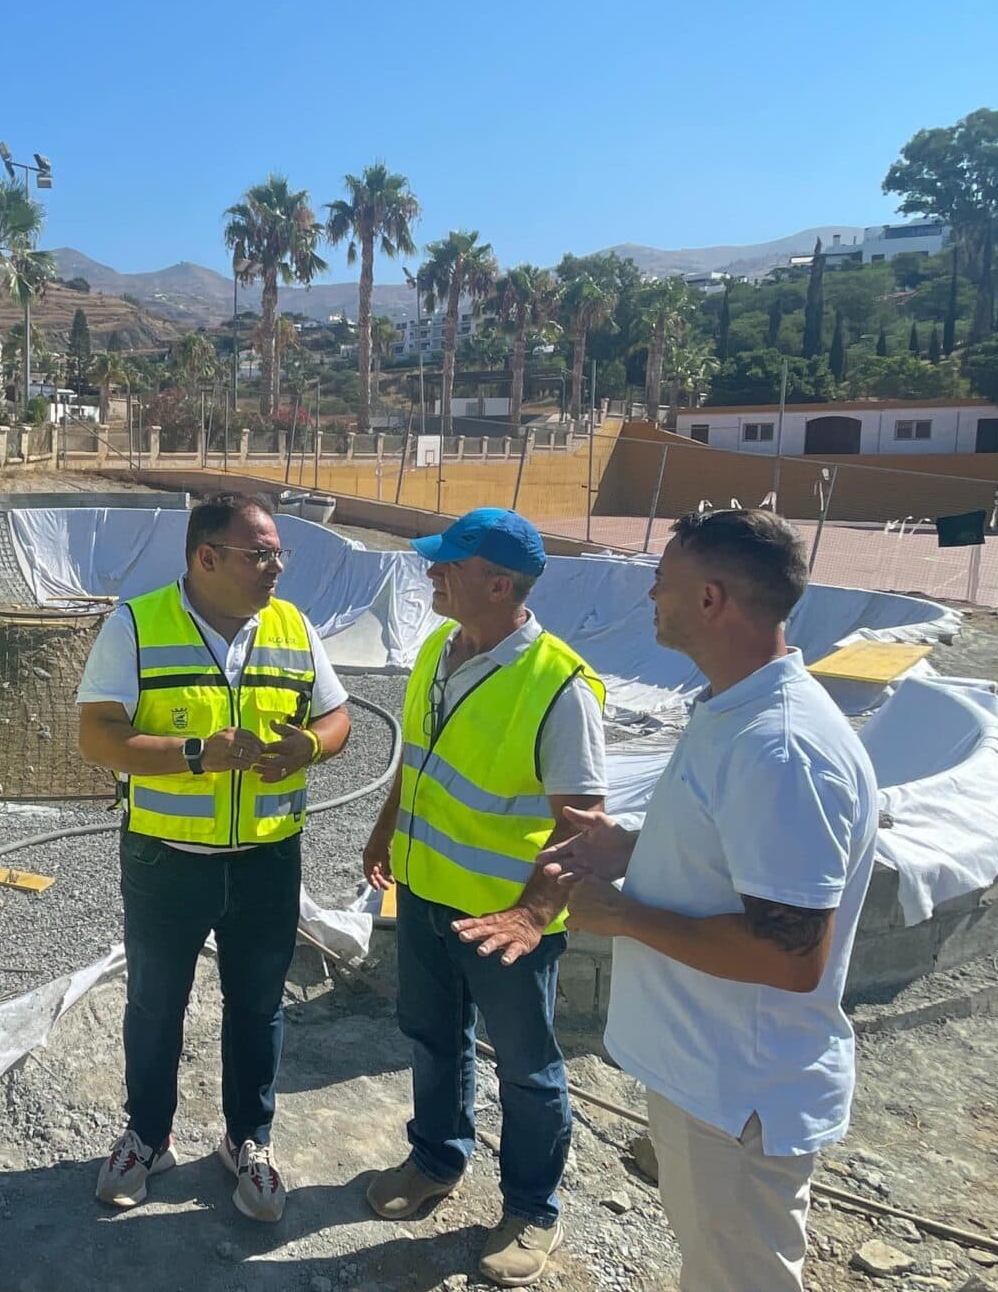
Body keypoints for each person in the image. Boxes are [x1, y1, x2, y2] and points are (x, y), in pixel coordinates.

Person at [544, 508, 880, 1292]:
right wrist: (625, 849)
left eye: (665, 580)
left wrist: (620, 914)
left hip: (739, 1094)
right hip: (709, 1079)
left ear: (711, 600)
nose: (650, 594)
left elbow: (790, 955)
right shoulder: (735, 714)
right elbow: (730, 863)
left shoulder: (781, 748)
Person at [77, 491, 355, 1223]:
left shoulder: (292, 626)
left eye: (276, 554)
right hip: (167, 860)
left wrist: (312, 745)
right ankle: (147, 1137)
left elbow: (338, 717)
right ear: (207, 557)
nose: (275, 568)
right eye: (260, 554)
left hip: (268, 857)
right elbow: (99, 737)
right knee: (155, 1005)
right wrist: (197, 754)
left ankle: (248, 1141)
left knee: (259, 1007)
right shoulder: (136, 625)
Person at [358, 508, 606, 1286]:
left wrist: (532, 914)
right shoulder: (439, 646)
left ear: (500, 585)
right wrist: (384, 831)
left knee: (529, 1070)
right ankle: (436, 1162)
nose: (432, 573)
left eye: (449, 565)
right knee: (433, 1038)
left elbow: (583, 826)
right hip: (428, 896)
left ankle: (532, 1210)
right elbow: (419, 760)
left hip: (507, 925)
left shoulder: (559, 686)